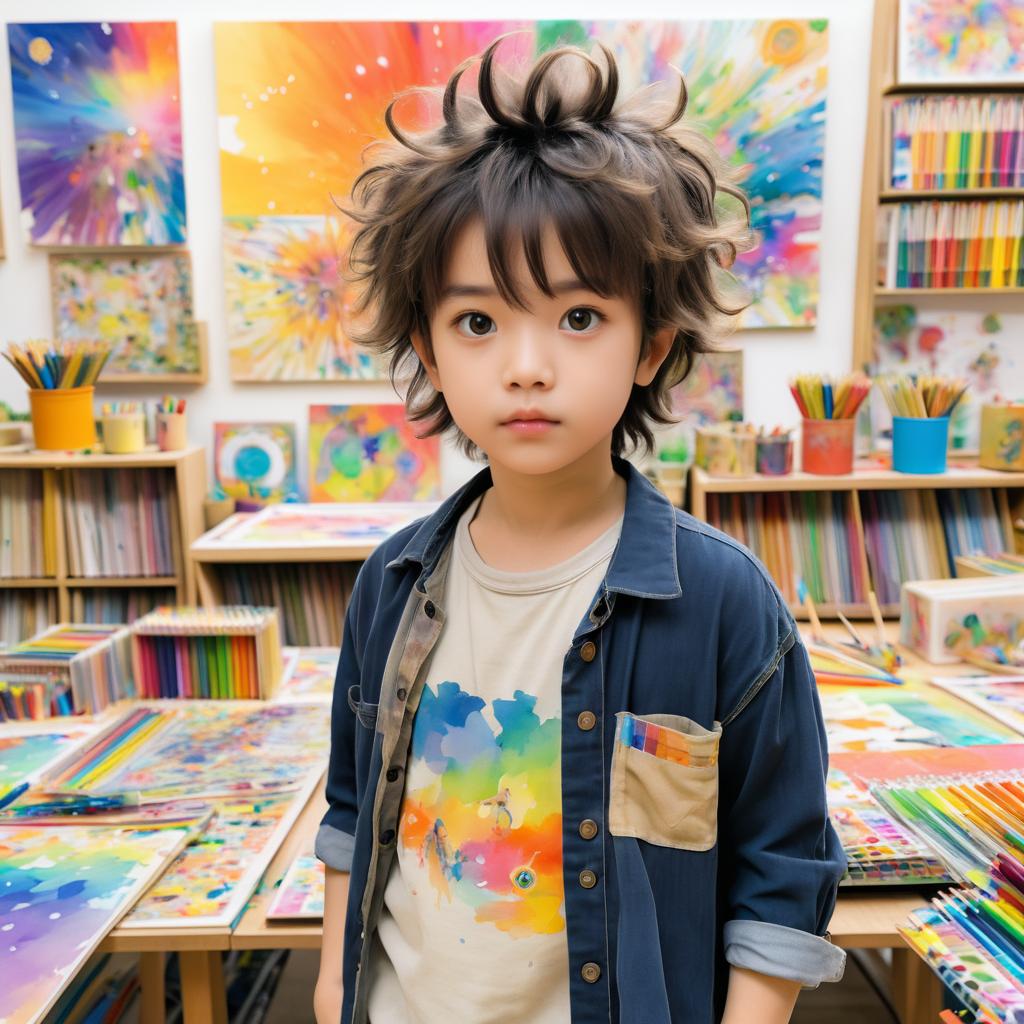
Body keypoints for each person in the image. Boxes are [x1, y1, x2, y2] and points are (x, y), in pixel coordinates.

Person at [314, 34, 846, 1024]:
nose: (525, 366)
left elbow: (784, 863)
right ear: (427, 346)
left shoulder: (723, 601)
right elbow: (353, 808)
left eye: (576, 318)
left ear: (650, 342)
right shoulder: (391, 582)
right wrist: (330, 983)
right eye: (478, 322)